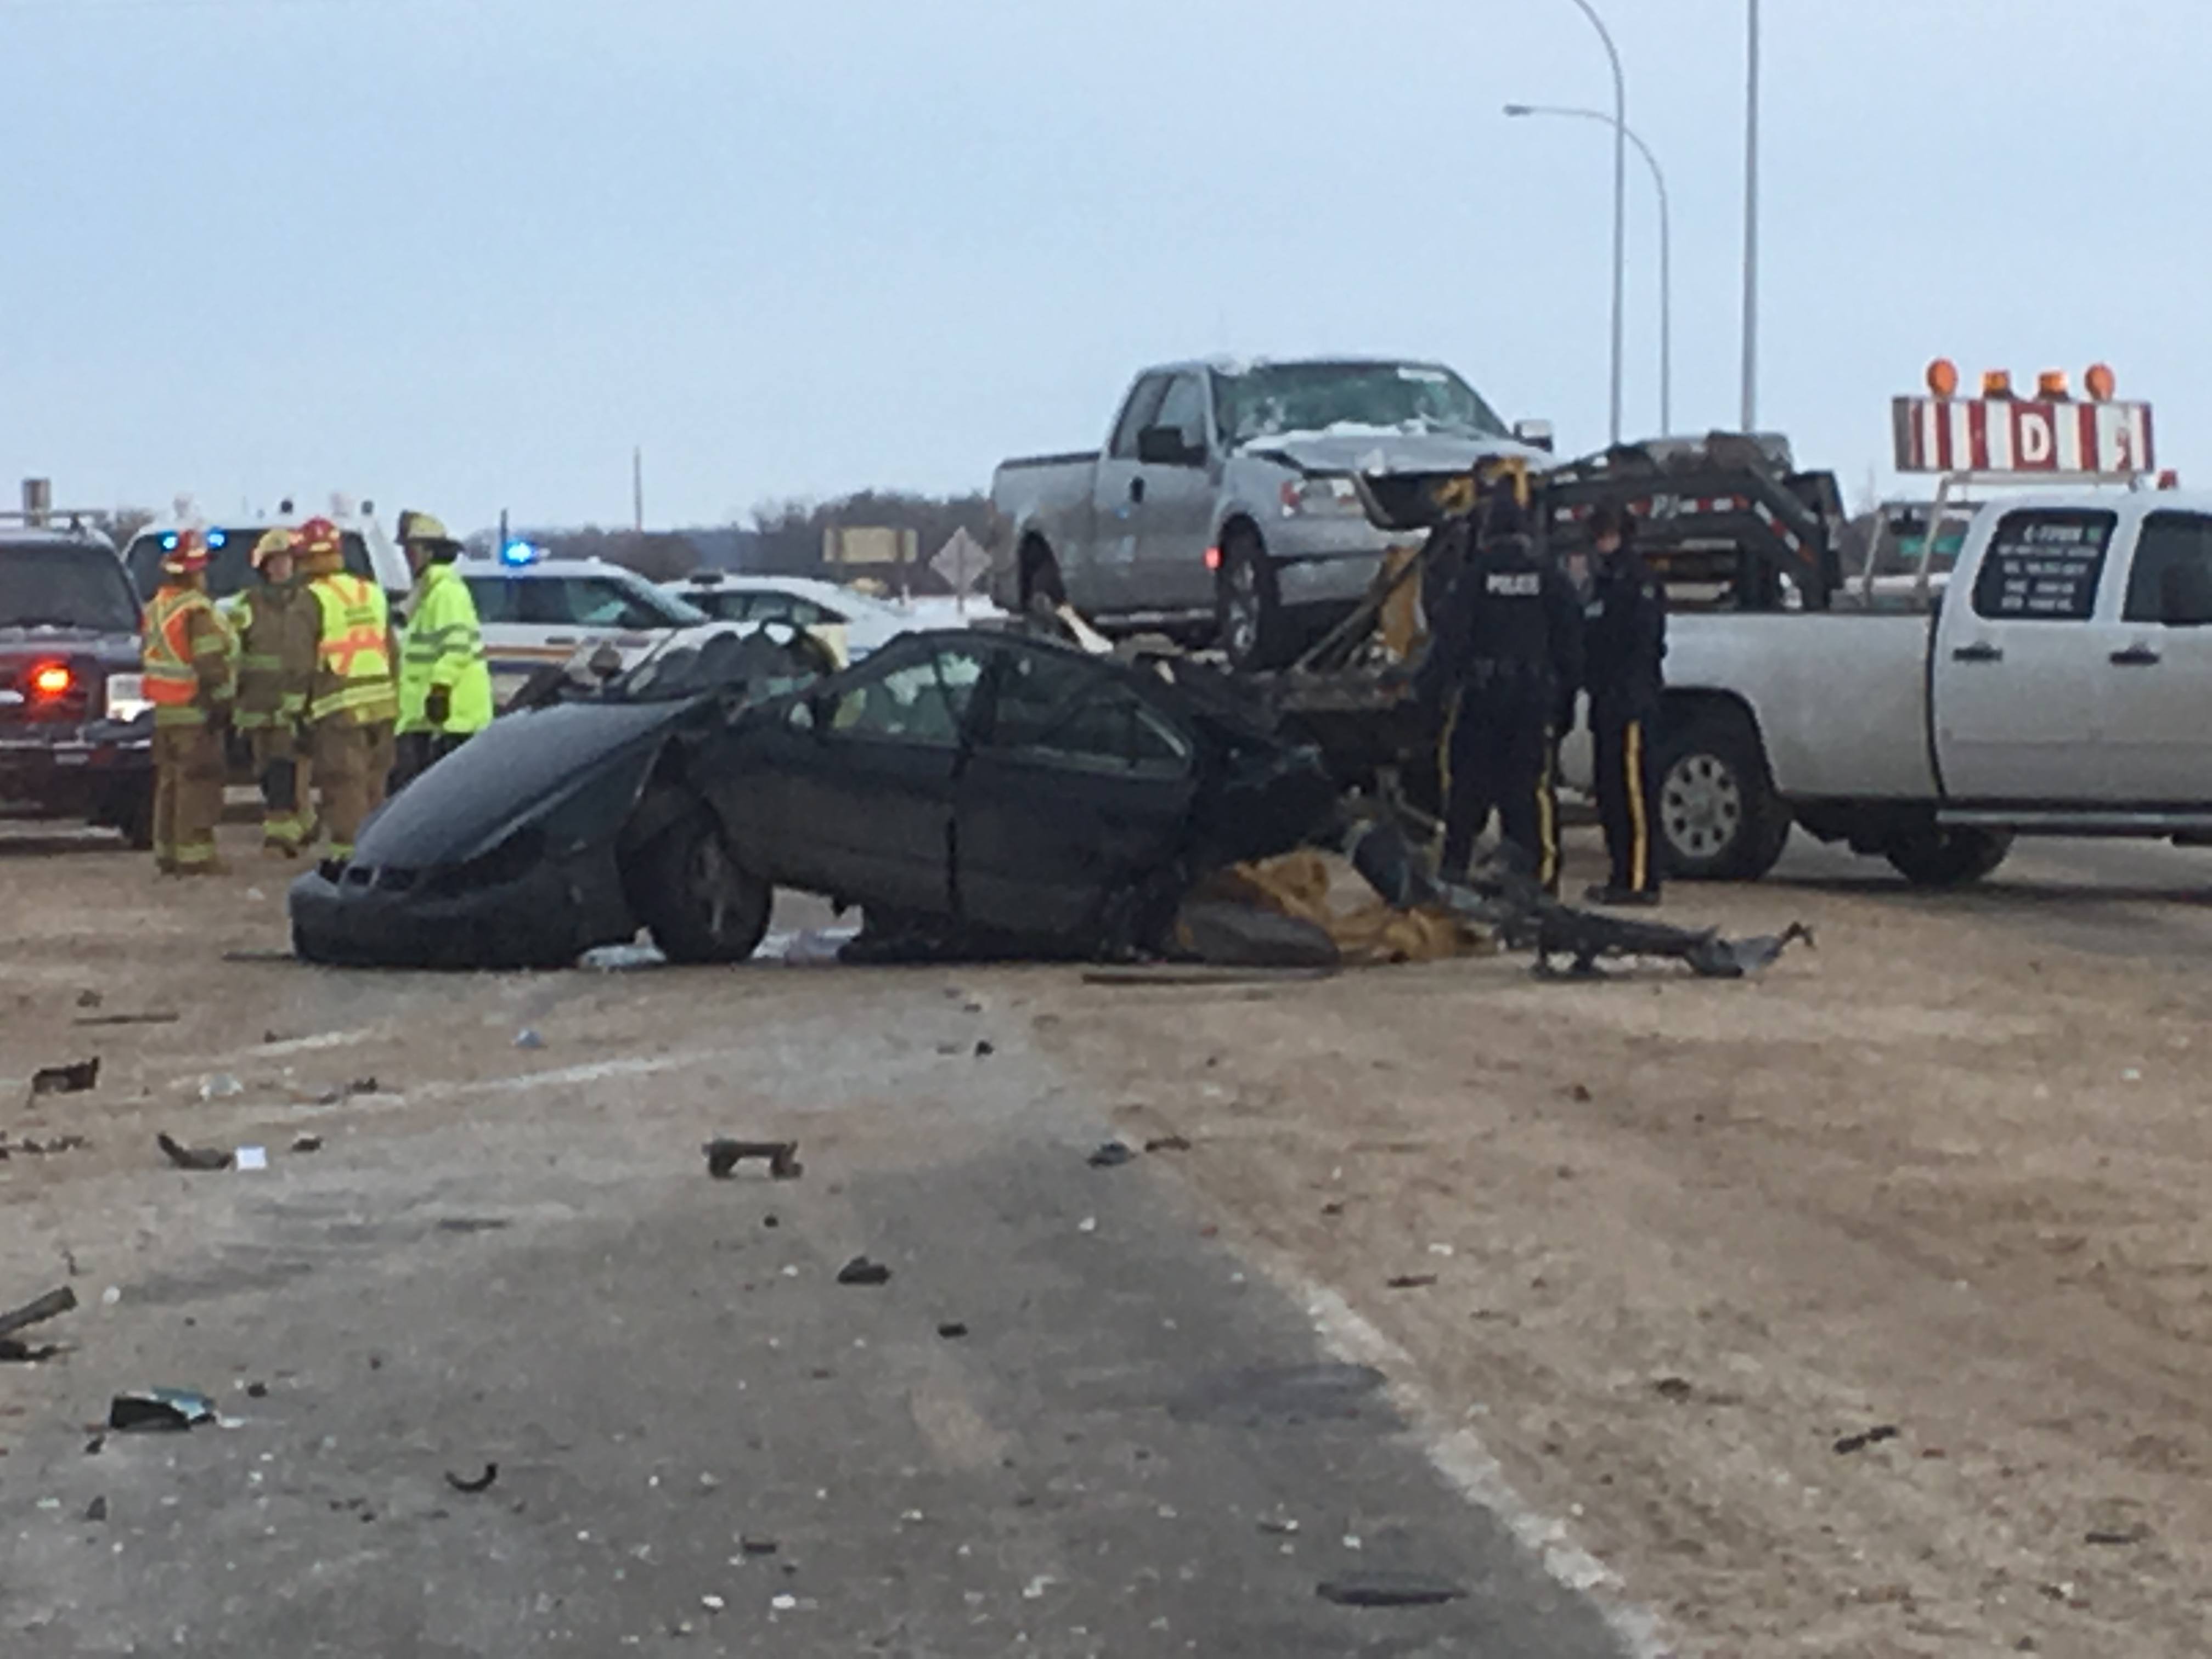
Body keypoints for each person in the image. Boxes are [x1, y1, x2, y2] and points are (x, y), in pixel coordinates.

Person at [1414, 485, 1583, 891]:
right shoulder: (1549, 578)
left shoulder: (1474, 578)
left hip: (1482, 701)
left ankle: (1452, 875)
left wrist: (1429, 695)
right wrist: (1565, 704)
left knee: (1466, 790)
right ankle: (1539, 884)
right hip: (1532, 700)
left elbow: (1449, 642)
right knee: (1529, 793)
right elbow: (1572, 643)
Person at [297, 516, 398, 861]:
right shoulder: (370, 592)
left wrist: (296, 710)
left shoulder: (311, 598)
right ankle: (380, 851)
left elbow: (300, 661)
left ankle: (349, 860)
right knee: (374, 785)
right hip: (382, 704)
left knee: (344, 786)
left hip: (339, 708)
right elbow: (391, 650)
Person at [1583, 504, 1668, 906]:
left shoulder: (1638, 580)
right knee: (1610, 792)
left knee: (1634, 792)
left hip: (1632, 701)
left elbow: (1643, 642)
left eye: (1608, 534)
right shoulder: (1603, 581)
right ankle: (1621, 875)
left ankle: (1640, 880)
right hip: (1606, 701)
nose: (1603, 543)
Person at [138, 529, 238, 874]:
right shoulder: (196, 611)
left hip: (165, 714)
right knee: (198, 783)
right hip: (194, 712)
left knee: (169, 784)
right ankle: (195, 856)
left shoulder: (156, 608)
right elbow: (210, 665)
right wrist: (223, 705)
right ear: (195, 572)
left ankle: (167, 851)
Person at [230, 528, 320, 856]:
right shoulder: (248, 603)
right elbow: (231, 648)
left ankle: (283, 833)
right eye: (276, 562)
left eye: (287, 561)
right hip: (257, 702)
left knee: (290, 766)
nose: (282, 568)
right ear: (264, 566)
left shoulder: (310, 601)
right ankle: (299, 822)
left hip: (297, 702)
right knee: (266, 769)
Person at [391, 510, 494, 789]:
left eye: (412, 550)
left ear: (429, 552)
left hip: (454, 717)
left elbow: (457, 647)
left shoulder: (446, 592)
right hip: (432, 720)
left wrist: (440, 689)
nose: (407, 557)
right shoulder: (427, 592)